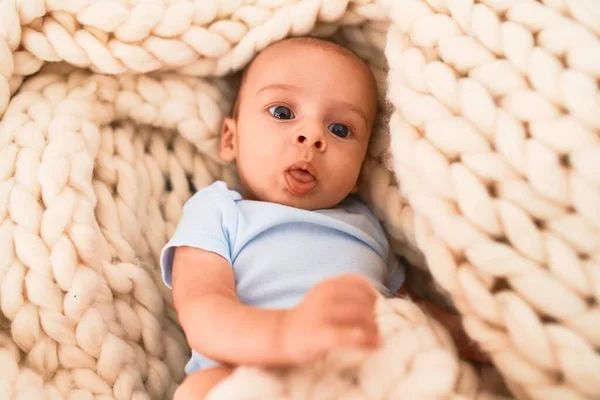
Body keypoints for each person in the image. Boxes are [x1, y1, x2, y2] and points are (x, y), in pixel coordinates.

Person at [161, 37, 485, 400]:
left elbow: (408, 313)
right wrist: (285, 333)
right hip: (253, 375)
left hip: (359, 379)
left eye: (340, 129)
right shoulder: (219, 210)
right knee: (200, 389)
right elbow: (204, 313)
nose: (312, 135)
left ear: (359, 170)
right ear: (230, 138)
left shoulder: (368, 227)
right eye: (282, 112)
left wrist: (474, 335)